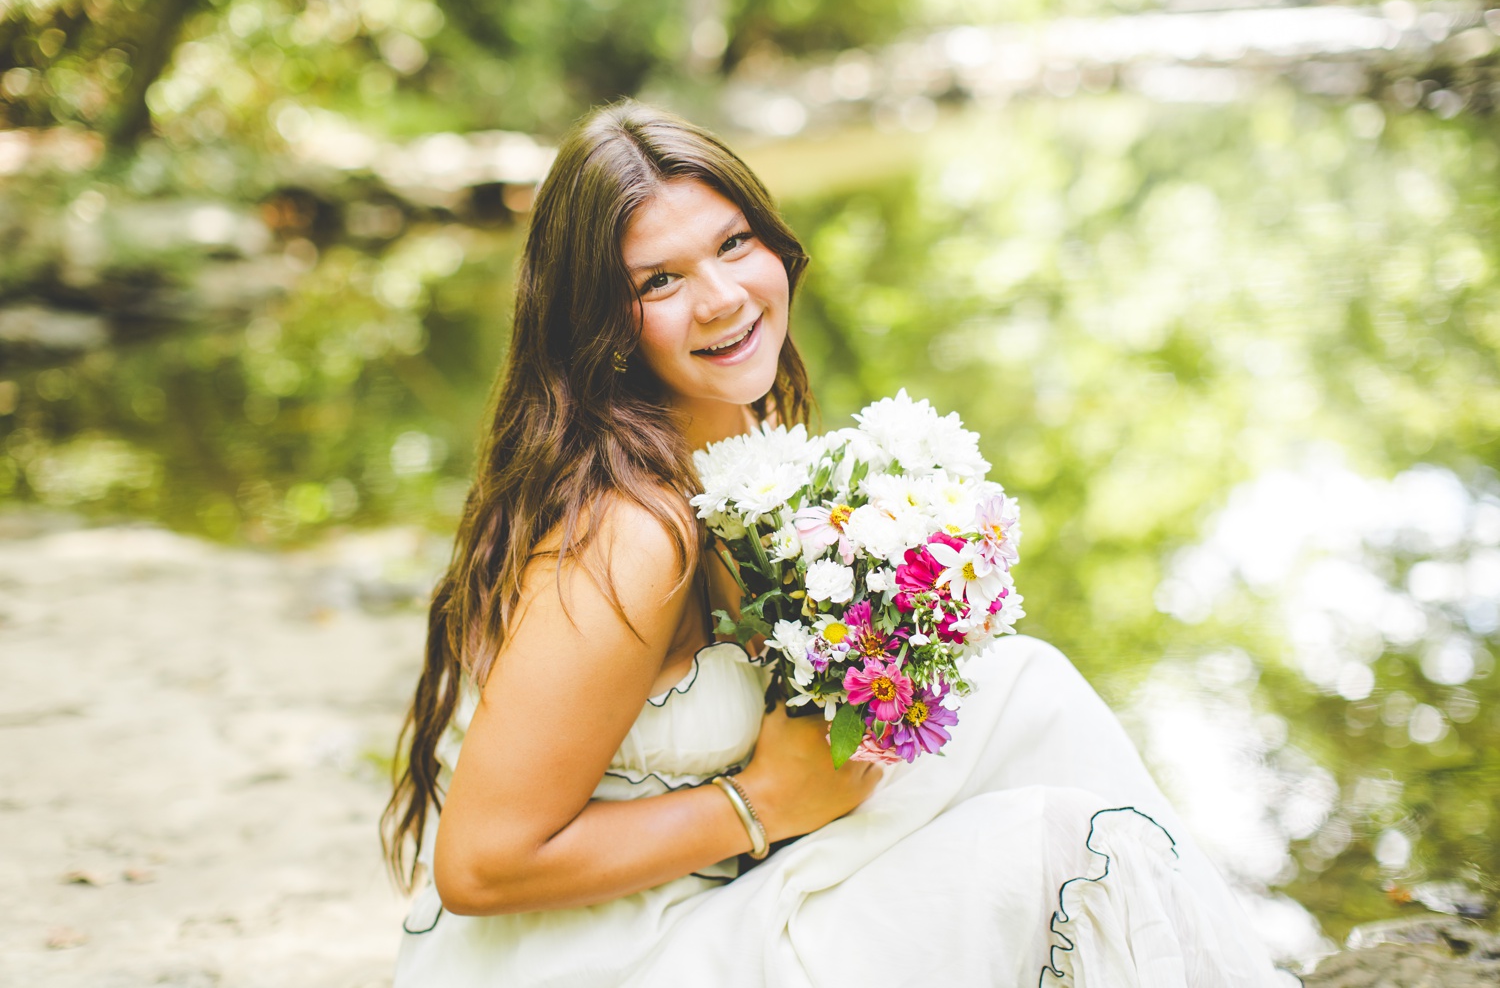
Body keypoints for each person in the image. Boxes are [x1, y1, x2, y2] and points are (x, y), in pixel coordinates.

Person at [382, 100, 1290, 987]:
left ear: (776, 242)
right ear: (601, 324)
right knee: (1056, 849)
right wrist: (762, 803)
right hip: (609, 956)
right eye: (659, 281)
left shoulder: (737, 444)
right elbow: (481, 866)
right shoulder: (631, 532)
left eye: (734, 244)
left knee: (1027, 688)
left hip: (703, 888)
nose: (723, 298)